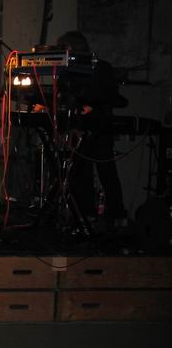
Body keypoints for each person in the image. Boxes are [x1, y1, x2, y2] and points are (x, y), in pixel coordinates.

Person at [56, 31, 128, 231]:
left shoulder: (101, 67)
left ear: (73, 48)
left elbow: (111, 96)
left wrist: (92, 106)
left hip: (100, 125)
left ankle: (117, 215)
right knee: (80, 171)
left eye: (65, 48)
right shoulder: (68, 69)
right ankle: (85, 214)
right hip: (78, 126)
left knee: (106, 171)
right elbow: (64, 93)